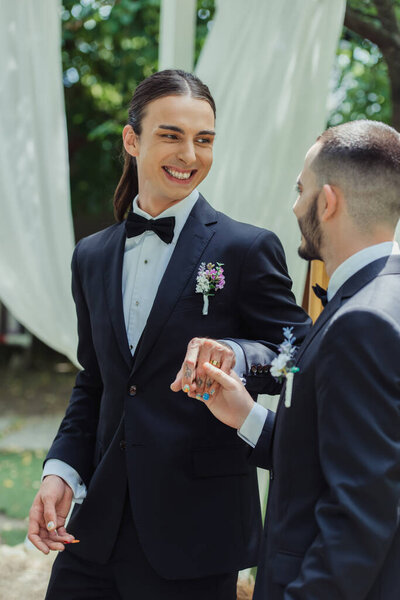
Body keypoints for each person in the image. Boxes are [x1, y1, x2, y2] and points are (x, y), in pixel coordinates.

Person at [28, 69, 310, 600]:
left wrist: (237, 353)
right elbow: (97, 381)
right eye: (171, 135)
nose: (190, 155)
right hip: (94, 533)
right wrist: (60, 470)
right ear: (132, 140)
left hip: (197, 535)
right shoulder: (90, 256)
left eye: (204, 140)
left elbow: (300, 352)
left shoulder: (246, 249)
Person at [187, 119, 400, 599]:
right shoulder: (381, 299)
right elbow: (348, 456)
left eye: (300, 189)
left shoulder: (361, 322)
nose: (294, 205)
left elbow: (359, 513)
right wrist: (246, 416)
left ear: (327, 202)